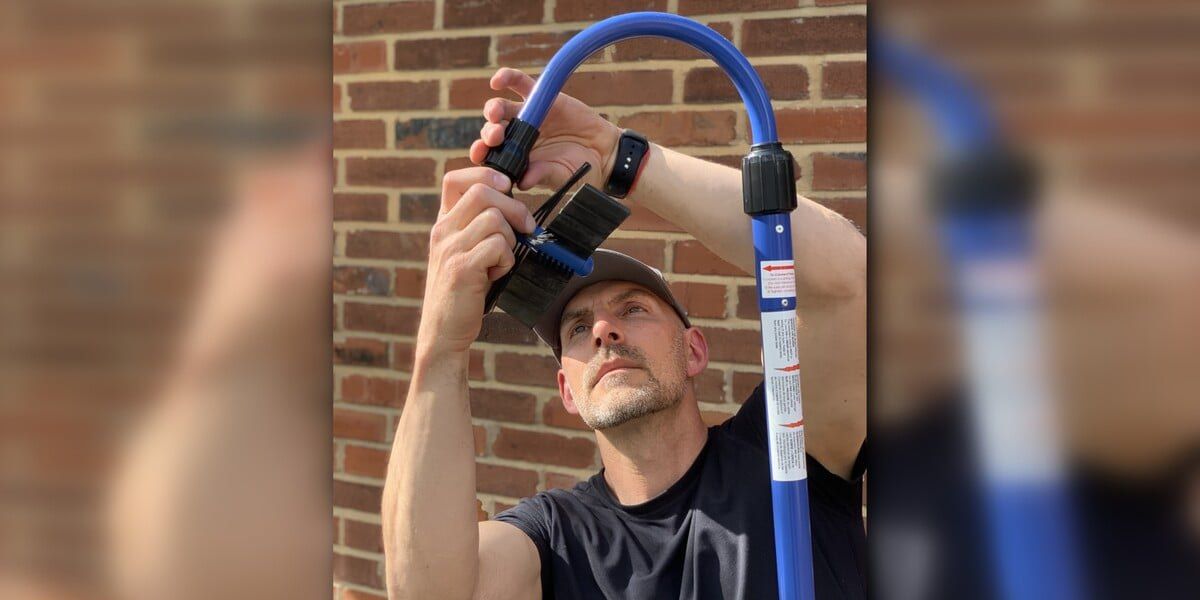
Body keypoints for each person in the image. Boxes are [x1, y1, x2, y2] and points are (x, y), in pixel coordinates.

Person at [382, 68, 866, 599]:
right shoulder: (555, 538)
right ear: (567, 390)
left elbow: (853, 285)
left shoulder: (786, 457)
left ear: (694, 350)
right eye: (578, 328)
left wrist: (619, 157)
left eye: (633, 309)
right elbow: (429, 592)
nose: (605, 331)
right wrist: (442, 349)